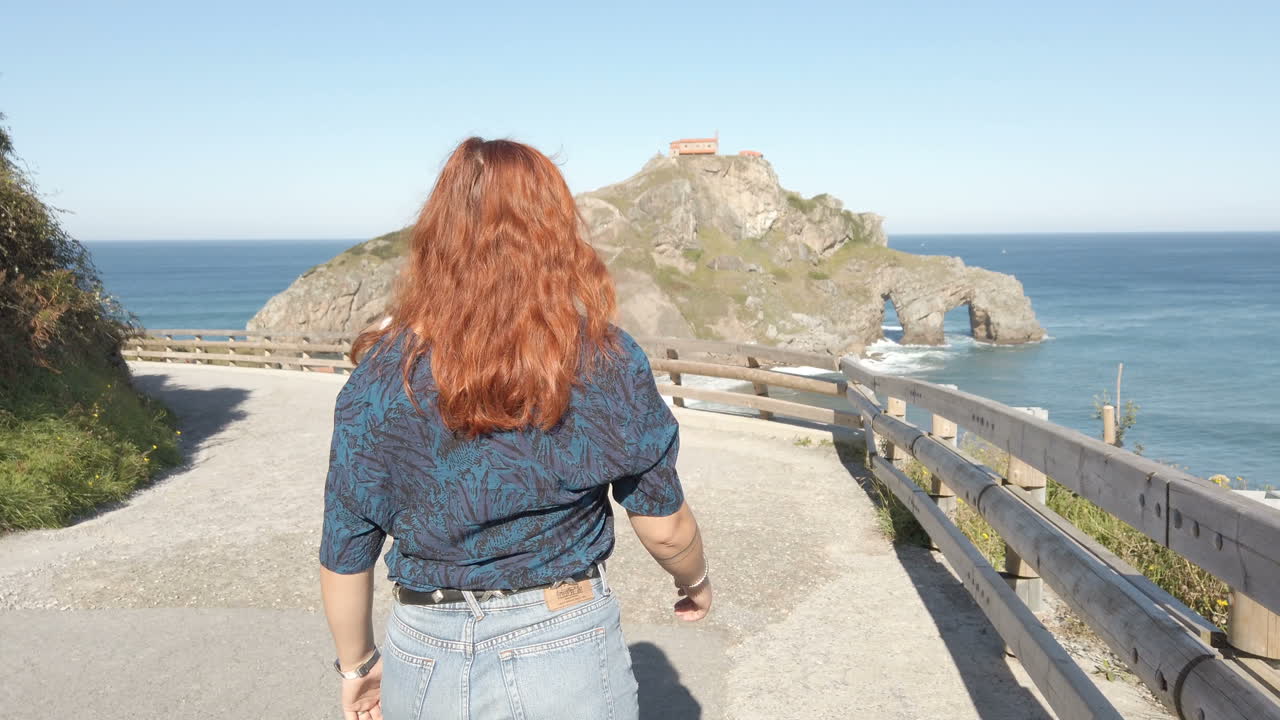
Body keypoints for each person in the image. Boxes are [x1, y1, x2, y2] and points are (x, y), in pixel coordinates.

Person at [318, 137, 712, 720]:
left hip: (422, 653)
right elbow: (666, 527)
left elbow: (346, 549)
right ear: (555, 234)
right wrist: (694, 581)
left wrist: (358, 666)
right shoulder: (602, 361)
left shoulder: (380, 376)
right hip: (564, 637)